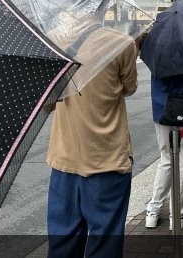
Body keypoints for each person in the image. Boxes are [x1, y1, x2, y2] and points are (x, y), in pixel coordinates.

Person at [47, 27, 139, 257]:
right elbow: (129, 88)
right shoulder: (122, 43)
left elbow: (46, 99)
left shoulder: (55, 39)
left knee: (63, 243)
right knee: (105, 243)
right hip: (107, 159)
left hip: (64, 160)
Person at [144, 71, 183, 231]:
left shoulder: (156, 51)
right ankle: (179, 215)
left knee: (166, 159)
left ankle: (153, 211)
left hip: (162, 109)